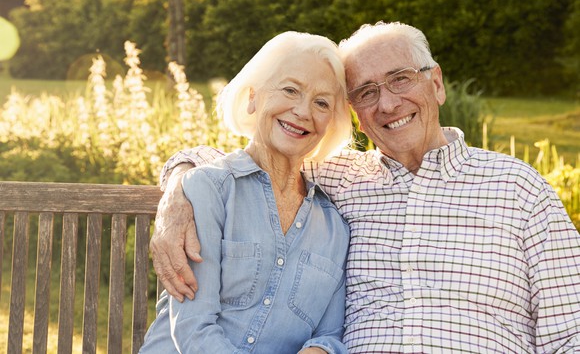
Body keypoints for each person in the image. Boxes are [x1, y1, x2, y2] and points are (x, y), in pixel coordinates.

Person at [151, 22, 580, 353]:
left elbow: (571, 332)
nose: (388, 103)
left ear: (436, 82)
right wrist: (176, 192)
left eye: (400, 79)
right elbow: (250, 160)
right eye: (367, 92)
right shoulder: (342, 178)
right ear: (354, 112)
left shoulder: (518, 188)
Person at [140, 31, 353, 354]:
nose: (303, 111)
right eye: (290, 89)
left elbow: (330, 334)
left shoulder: (334, 227)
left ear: (331, 122)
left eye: (321, 102)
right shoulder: (210, 189)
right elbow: (193, 329)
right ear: (253, 97)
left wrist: (322, 350)